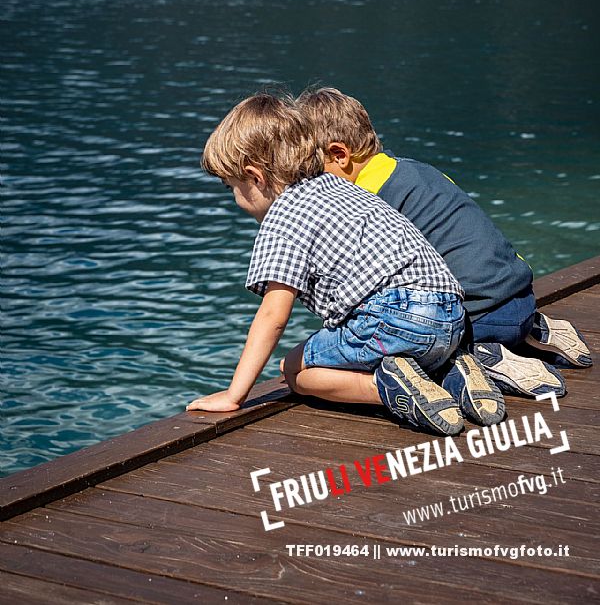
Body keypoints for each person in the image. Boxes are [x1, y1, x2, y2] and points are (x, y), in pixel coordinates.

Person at [186, 93, 504, 435]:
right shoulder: (343, 187)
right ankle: (452, 370)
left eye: (232, 186)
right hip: (452, 318)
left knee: (294, 370)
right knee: (393, 344)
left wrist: (235, 395)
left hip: (397, 320)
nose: (236, 199)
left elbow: (273, 316)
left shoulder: (283, 216)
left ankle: (389, 390)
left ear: (255, 177)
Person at [296, 87, 592, 403]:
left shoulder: (364, 206)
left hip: (478, 320)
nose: (307, 182)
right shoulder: (418, 170)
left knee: (406, 343)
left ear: (340, 155)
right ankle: (535, 328)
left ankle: (487, 358)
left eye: (311, 171)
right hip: (520, 296)